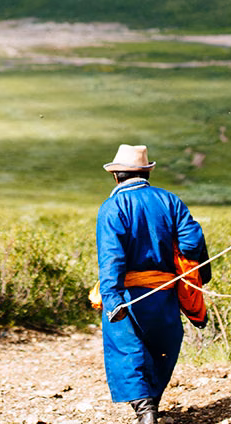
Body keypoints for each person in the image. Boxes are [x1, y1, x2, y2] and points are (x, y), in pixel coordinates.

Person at [95, 144, 211, 424]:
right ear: (146, 173)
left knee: (127, 348)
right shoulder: (170, 200)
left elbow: (112, 258)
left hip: (127, 296)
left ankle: (145, 411)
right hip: (165, 294)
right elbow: (192, 243)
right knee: (162, 347)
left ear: (116, 176)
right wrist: (199, 274)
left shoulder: (112, 207)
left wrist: (112, 299)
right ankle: (152, 405)